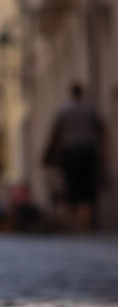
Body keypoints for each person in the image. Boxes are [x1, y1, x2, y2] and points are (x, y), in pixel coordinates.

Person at [45, 83, 106, 231]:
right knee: (87, 185)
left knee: (73, 185)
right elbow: (100, 129)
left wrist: (53, 154)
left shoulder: (64, 110)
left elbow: (56, 132)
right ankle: (86, 220)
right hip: (88, 150)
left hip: (71, 151)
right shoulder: (90, 109)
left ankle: (77, 221)